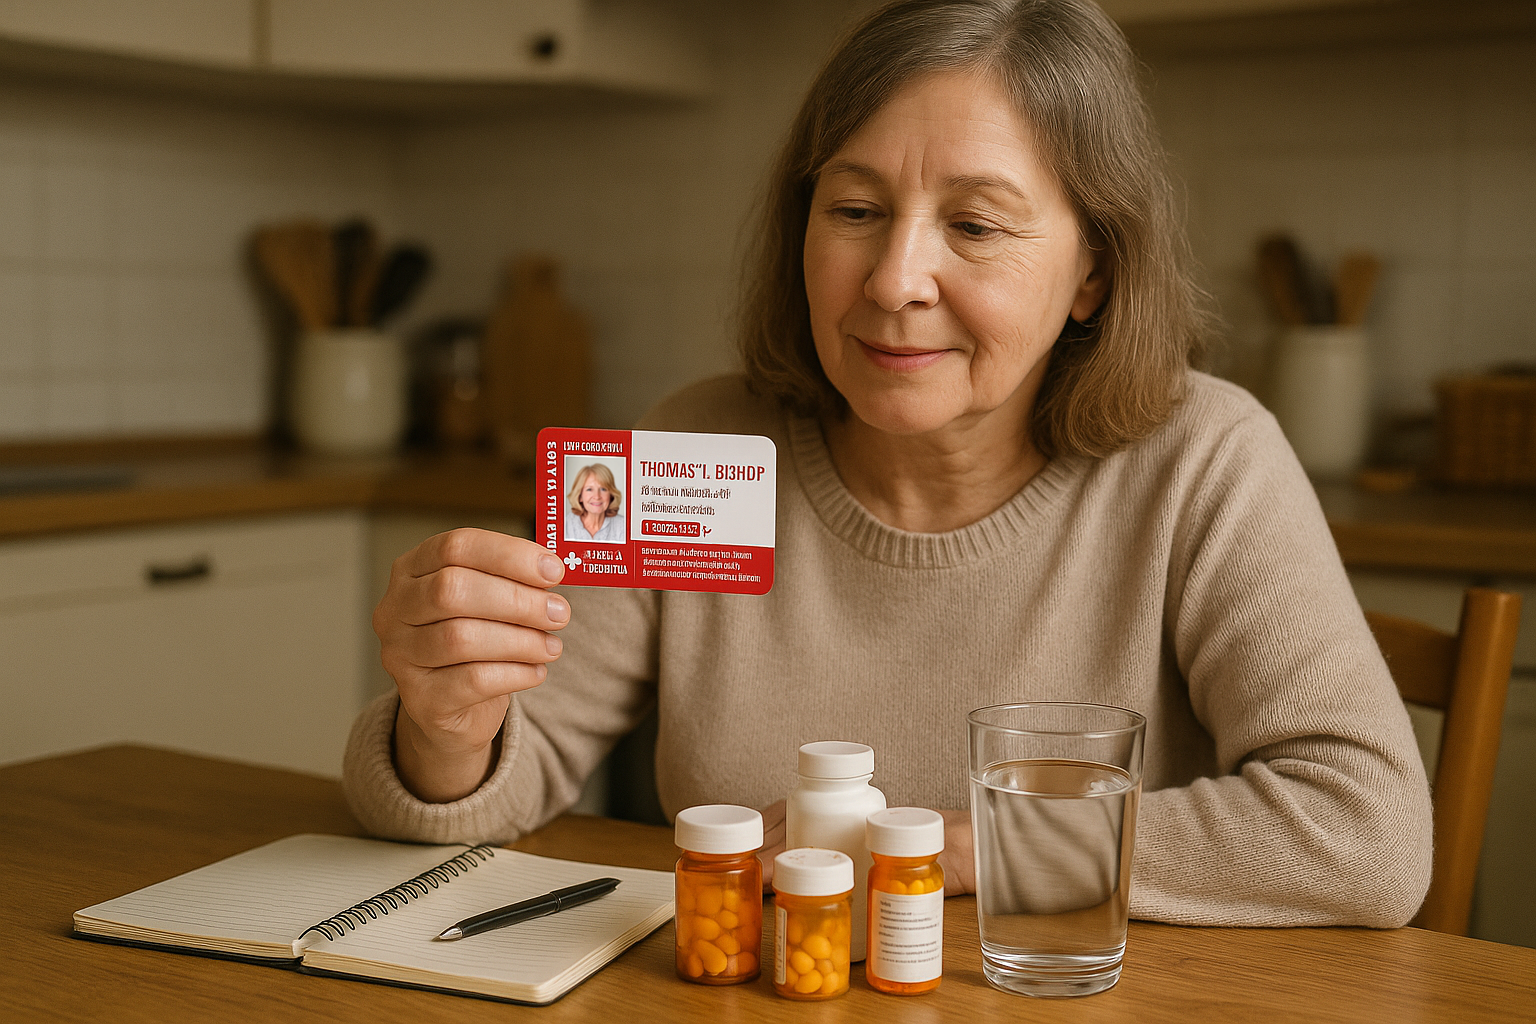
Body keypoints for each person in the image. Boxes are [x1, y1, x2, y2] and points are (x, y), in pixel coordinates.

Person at [349, 0, 1431, 928]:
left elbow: (1365, 834)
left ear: (1093, 272)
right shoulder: (702, 447)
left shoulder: (1204, 458)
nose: (895, 278)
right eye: (856, 210)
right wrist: (448, 722)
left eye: (973, 224)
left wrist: (952, 851)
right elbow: (484, 788)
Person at [564, 463, 626, 543]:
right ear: (580, 496)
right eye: (589, 489)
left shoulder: (623, 526)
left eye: (603, 489)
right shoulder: (565, 525)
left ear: (611, 495)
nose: (597, 496)